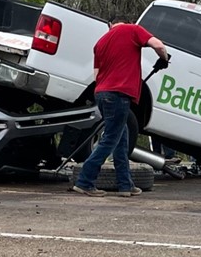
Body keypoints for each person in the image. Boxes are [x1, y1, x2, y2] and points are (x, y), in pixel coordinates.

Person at [72, 16, 168, 198]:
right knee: (110, 139)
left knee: (120, 139)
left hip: (101, 93)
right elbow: (159, 46)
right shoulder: (132, 29)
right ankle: (85, 181)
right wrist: (163, 59)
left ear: (110, 25)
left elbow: (96, 74)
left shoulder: (101, 42)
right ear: (126, 21)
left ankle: (125, 185)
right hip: (118, 94)